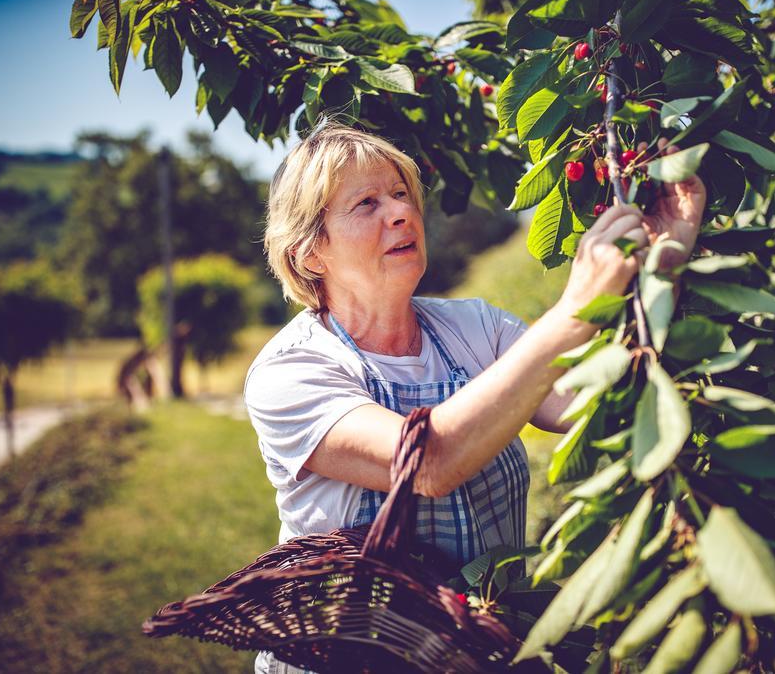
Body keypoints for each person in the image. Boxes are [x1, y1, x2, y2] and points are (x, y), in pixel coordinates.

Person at [244, 123, 706, 674]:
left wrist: (668, 253)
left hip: (477, 647)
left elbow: (590, 404)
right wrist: (573, 310)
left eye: (400, 195)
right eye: (366, 203)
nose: (400, 214)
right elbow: (430, 463)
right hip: (348, 658)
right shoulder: (292, 369)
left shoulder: (476, 328)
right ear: (311, 252)